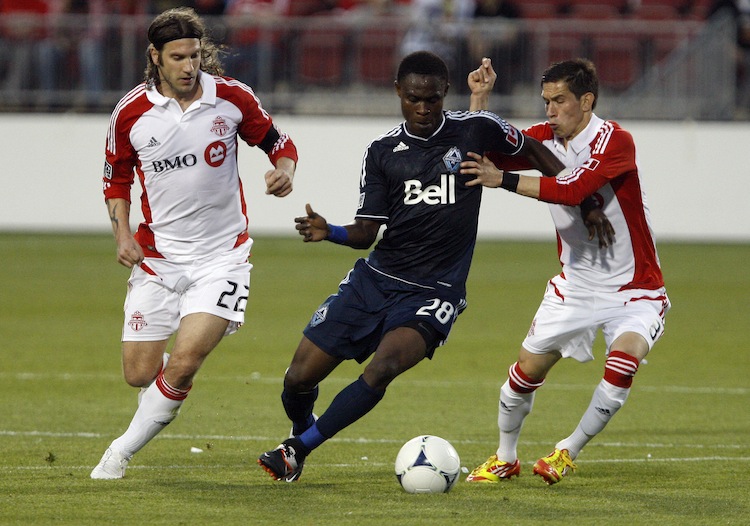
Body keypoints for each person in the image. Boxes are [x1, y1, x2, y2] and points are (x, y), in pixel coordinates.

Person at [256, 50, 570, 483]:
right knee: (297, 379)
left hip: (435, 291)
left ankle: (296, 450)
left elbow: (533, 148)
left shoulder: (475, 129)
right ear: (398, 93)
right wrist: (329, 231)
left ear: (445, 93)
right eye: (413, 99)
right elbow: (368, 232)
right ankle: (301, 431)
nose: (422, 109)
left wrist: (579, 195)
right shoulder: (383, 152)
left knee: (382, 367)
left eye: (432, 99)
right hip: (375, 280)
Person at [91, 6, 298, 479]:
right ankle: (165, 388)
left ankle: (118, 453)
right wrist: (121, 233)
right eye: (179, 57)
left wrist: (284, 172)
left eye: (195, 55)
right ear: (155, 57)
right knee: (140, 374)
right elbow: (116, 180)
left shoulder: (230, 99)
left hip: (222, 258)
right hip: (158, 260)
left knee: (184, 363)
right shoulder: (131, 114)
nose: (189, 66)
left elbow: (279, 143)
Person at [462, 57, 670, 485]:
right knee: (523, 375)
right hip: (574, 286)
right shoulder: (543, 139)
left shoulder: (615, 141)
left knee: (623, 364)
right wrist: (479, 98)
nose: (550, 111)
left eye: (559, 101)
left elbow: (573, 188)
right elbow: (483, 152)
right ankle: (505, 456)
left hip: (635, 290)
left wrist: (501, 180)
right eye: (545, 101)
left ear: (587, 100)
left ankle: (566, 450)